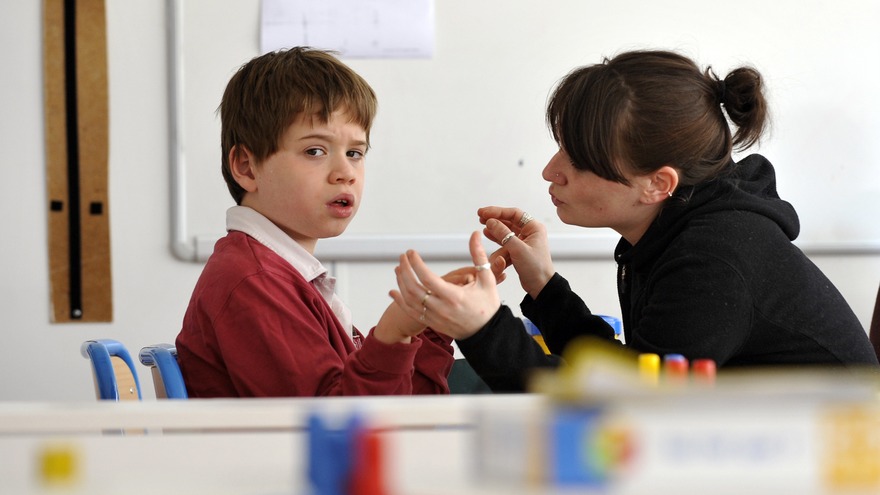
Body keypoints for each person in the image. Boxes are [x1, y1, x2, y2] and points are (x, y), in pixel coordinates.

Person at [390, 49, 879, 392]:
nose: (549, 172)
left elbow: (617, 413)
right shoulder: (686, 228)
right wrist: (542, 285)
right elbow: (629, 374)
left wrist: (482, 328)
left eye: (577, 160)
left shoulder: (714, 258)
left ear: (657, 185)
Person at [176, 47, 455, 397]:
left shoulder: (277, 272)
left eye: (355, 153)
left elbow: (402, 411)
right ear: (247, 167)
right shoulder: (254, 280)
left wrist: (430, 324)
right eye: (315, 151)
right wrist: (391, 333)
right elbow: (338, 430)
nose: (345, 173)